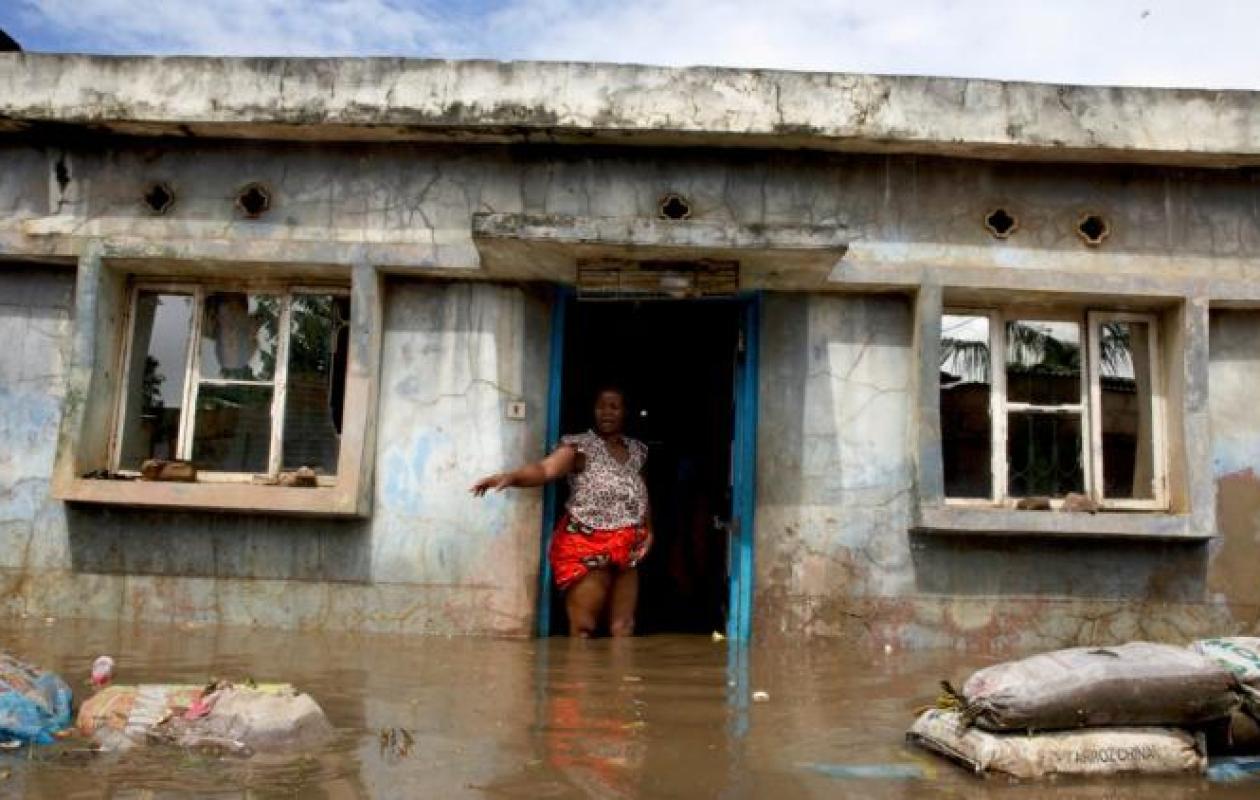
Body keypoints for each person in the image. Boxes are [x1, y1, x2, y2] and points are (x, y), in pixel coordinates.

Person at [471, 387, 652, 637]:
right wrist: (511, 477)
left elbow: (640, 492)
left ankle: (618, 676)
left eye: (614, 407)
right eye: (601, 406)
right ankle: (577, 674)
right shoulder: (579, 446)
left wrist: (648, 529)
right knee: (583, 629)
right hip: (587, 542)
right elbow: (545, 470)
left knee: (623, 628)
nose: (606, 413)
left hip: (628, 543)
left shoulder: (637, 451)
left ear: (625, 412)